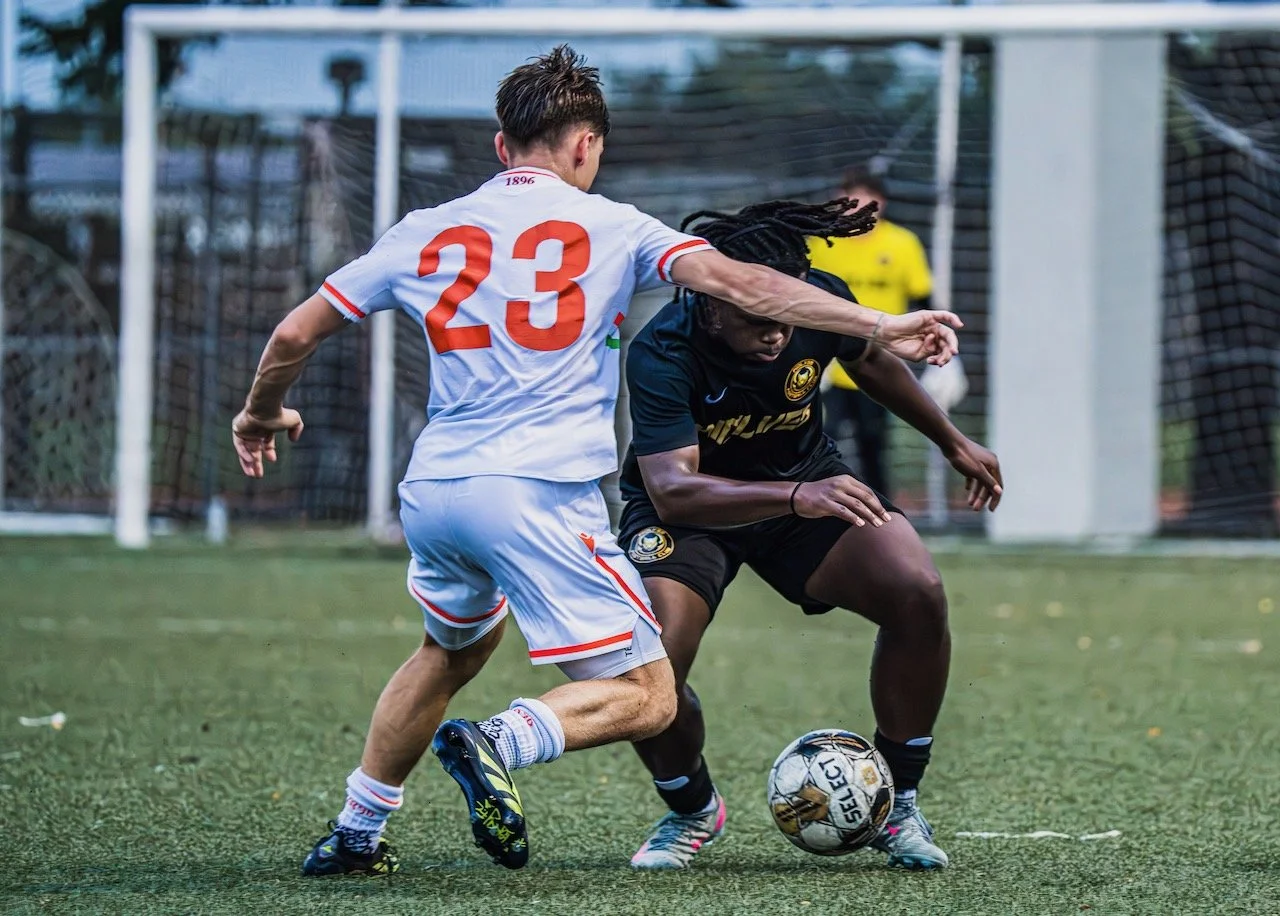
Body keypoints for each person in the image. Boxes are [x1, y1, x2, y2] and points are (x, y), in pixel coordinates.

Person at [231, 47, 965, 876]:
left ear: (502, 145)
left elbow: (293, 333)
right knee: (649, 693)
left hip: (433, 491)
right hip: (534, 493)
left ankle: (356, 832)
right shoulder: (617, 227)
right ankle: (499, 740)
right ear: (587, 146)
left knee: (450, 651)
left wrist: (261, 413)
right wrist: (880, 324)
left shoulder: (423, 229)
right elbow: (749, 286)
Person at [618, 199, 1002, 872]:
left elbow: (870, 360)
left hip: (804, 485)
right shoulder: (662, 351)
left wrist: (952, 440)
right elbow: (674, 489)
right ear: (712, 301)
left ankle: (898, 800)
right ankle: (691, 808)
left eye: (786, 318)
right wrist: (797, 496)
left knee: (917, 591)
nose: (777, 334)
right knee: (649, 666)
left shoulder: (816, 300)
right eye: (757, 319)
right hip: (692, 514)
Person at [806, 168, 934, 498]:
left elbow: (923, 297)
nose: (854, 207)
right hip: (825, 362)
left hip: (876, 361)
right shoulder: (822, 241)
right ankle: (816, 507)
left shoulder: (902, 243)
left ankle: (881, 509)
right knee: (819, 440)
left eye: (862, 200)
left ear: (880, 203)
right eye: (847, 199)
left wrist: (938, 347)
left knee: (873, 442)